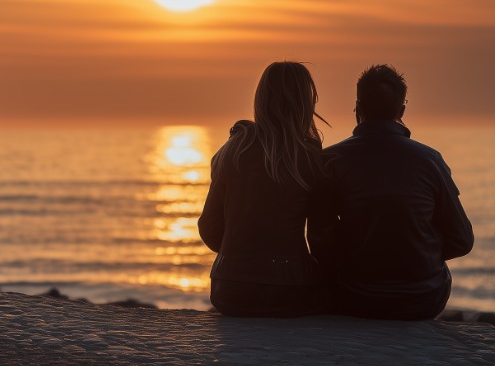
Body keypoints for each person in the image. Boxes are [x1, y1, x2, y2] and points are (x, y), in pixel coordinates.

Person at [315, 64, 474, 320]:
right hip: (422, 299)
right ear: (402, 110)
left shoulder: (330, 160)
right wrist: (418, 254)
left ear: (358, 108)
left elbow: (320, 239)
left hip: (354, 296)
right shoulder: (430, 160)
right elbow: (462, 240)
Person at [198, 61, 332, 317]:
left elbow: (209, 228)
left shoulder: (232, 150)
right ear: (305, 103)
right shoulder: (309, 154)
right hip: (288, 290)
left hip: (228, 289)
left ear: (261, 99)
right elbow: (322, 237)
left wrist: (242, 259)